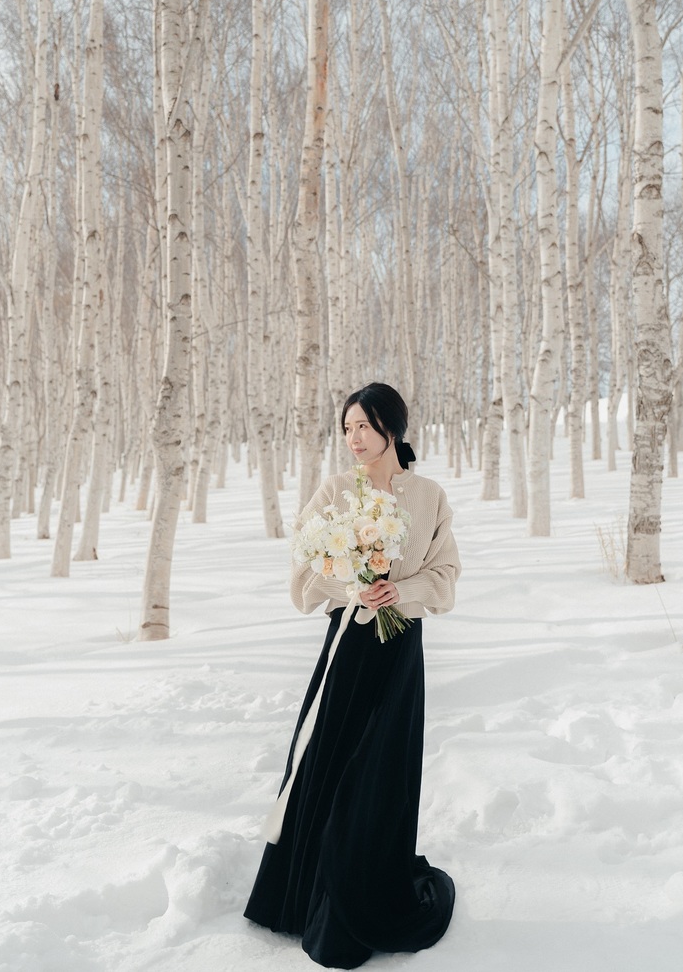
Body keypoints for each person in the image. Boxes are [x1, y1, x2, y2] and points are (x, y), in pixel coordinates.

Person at [244, 383, 461, 969]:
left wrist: (402, 589)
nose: (353, 439)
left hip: (399, 654)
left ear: (393, 427)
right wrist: (352, 586)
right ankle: (306, 900)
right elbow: (303, 576)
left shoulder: (428, 497)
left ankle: (362, 892)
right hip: (348, 648)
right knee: (330, 768)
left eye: (363, 426)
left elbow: (445, 575)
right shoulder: (335, 493)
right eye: (346, 428)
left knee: (379, 774)